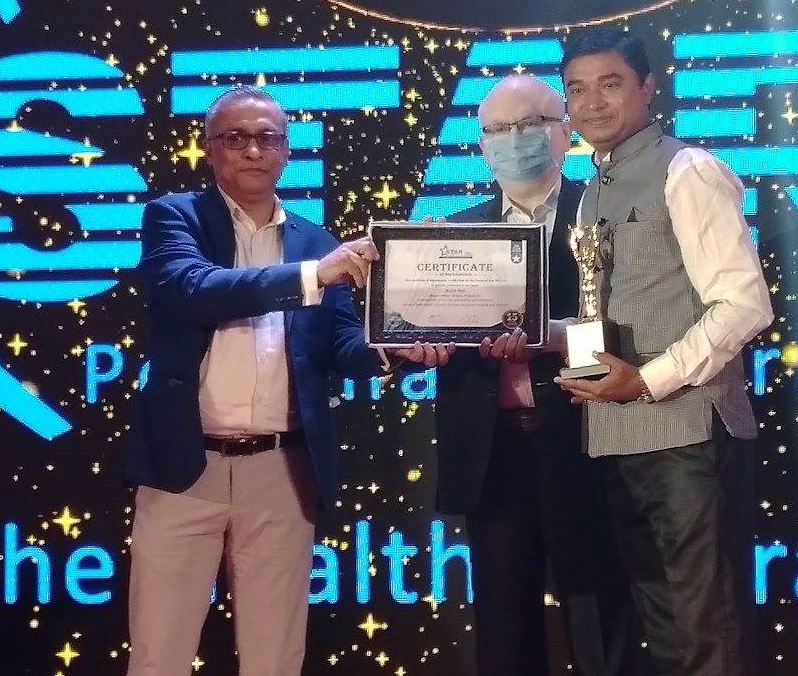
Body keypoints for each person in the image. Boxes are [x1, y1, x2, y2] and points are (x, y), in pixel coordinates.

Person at [123, 86, 447, 676]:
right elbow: (191, 291)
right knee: (158, 656)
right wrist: (312, 275)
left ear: (286, 150)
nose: (252, 150)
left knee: (275, 660)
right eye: (235, 137)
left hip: (282, 469)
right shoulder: (175, 216)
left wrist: (393, 349)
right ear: (209, 147)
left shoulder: (315, 240)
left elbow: (342, 346)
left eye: (267, 137)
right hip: (183, 467)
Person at [554, 27, 772, 676]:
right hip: (618, 431)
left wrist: (648, 379)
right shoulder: (593, 185)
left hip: (684, 434)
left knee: (702, 624)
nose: (591, 103)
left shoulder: (688, 170)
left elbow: (744, 305)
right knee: (664, 623)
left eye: (610, 84)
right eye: (576, 90)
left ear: (648, 87)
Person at [430, 75, 640, 676]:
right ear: (479, 144)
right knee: (503, 632)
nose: (513, 140)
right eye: (497, 130)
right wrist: (414, 342)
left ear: (565, 130)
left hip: (586, 441)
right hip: (492, 452)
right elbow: (416, 335)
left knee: (599, 615)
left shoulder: (604, 212)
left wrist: (553, 339)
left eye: (530, 125)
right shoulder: (452, 234)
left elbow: (635, 330)